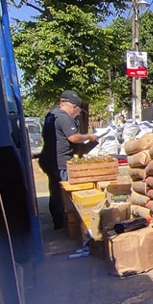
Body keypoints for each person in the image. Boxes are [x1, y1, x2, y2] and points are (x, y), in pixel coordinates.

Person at [38, 90, 98, 229]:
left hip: (49, 159)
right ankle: (67, 223)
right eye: (78, 110)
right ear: (73, 107)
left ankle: (59, 221)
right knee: (63, 193)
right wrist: (89, 137)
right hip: (60, 162)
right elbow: (73, 137)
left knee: (55, 190)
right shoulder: (64, 117)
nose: (78, 113)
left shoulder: (51, 115)